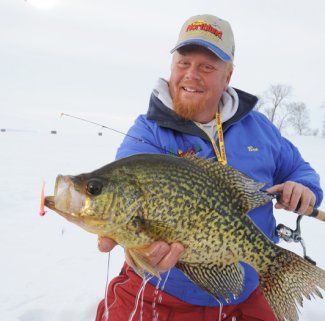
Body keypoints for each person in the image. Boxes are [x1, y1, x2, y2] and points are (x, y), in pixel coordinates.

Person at [95, 14, 323, 321]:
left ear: (227, 77)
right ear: (172, 66)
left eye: (207, 67)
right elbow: (125, 207)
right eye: (183, 63)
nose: (191, 74)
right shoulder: (147, 131)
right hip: (163, 290)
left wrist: (304, 188)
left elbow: (300, 170)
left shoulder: (260, 129)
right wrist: (142, 249)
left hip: (250, 287)